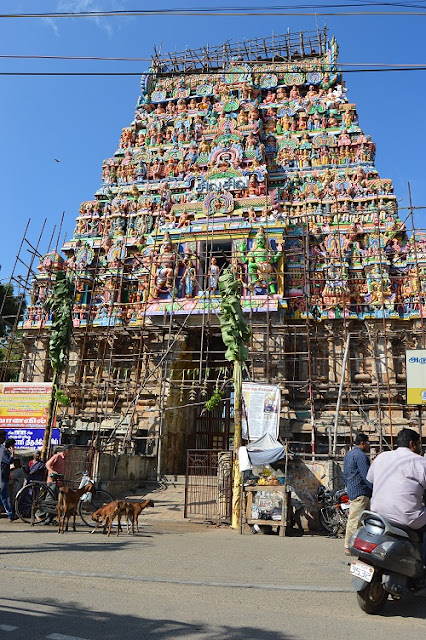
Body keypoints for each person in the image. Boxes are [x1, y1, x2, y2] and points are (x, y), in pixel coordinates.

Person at [367, 428, 426, 565]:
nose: (420, 447)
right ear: (412, 444)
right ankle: (423, 565)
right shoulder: (419, 462)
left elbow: (370, 481)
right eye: (419, 444)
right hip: (405, 517)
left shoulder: (381, 457)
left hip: (377, 513)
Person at [343, 432, 372, 555]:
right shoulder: (361, 456)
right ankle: (348, 546)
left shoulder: (349, 454)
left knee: (364, 521)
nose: (369, 445)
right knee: (355, 520)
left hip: (353, 490)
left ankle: (361, 544)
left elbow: (345, 474)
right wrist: (374, 488)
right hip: (361, 491)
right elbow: (367, 476)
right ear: (362, 443)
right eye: (367, 443)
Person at [0, 431, 17, 521]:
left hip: (4, 476)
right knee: (5, 496)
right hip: (2, 477)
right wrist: (12, 453)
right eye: (3, 437)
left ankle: (10, 514)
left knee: (3, 496)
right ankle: (10, 515)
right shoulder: (2, 450)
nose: (3, 439)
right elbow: (9, 461)